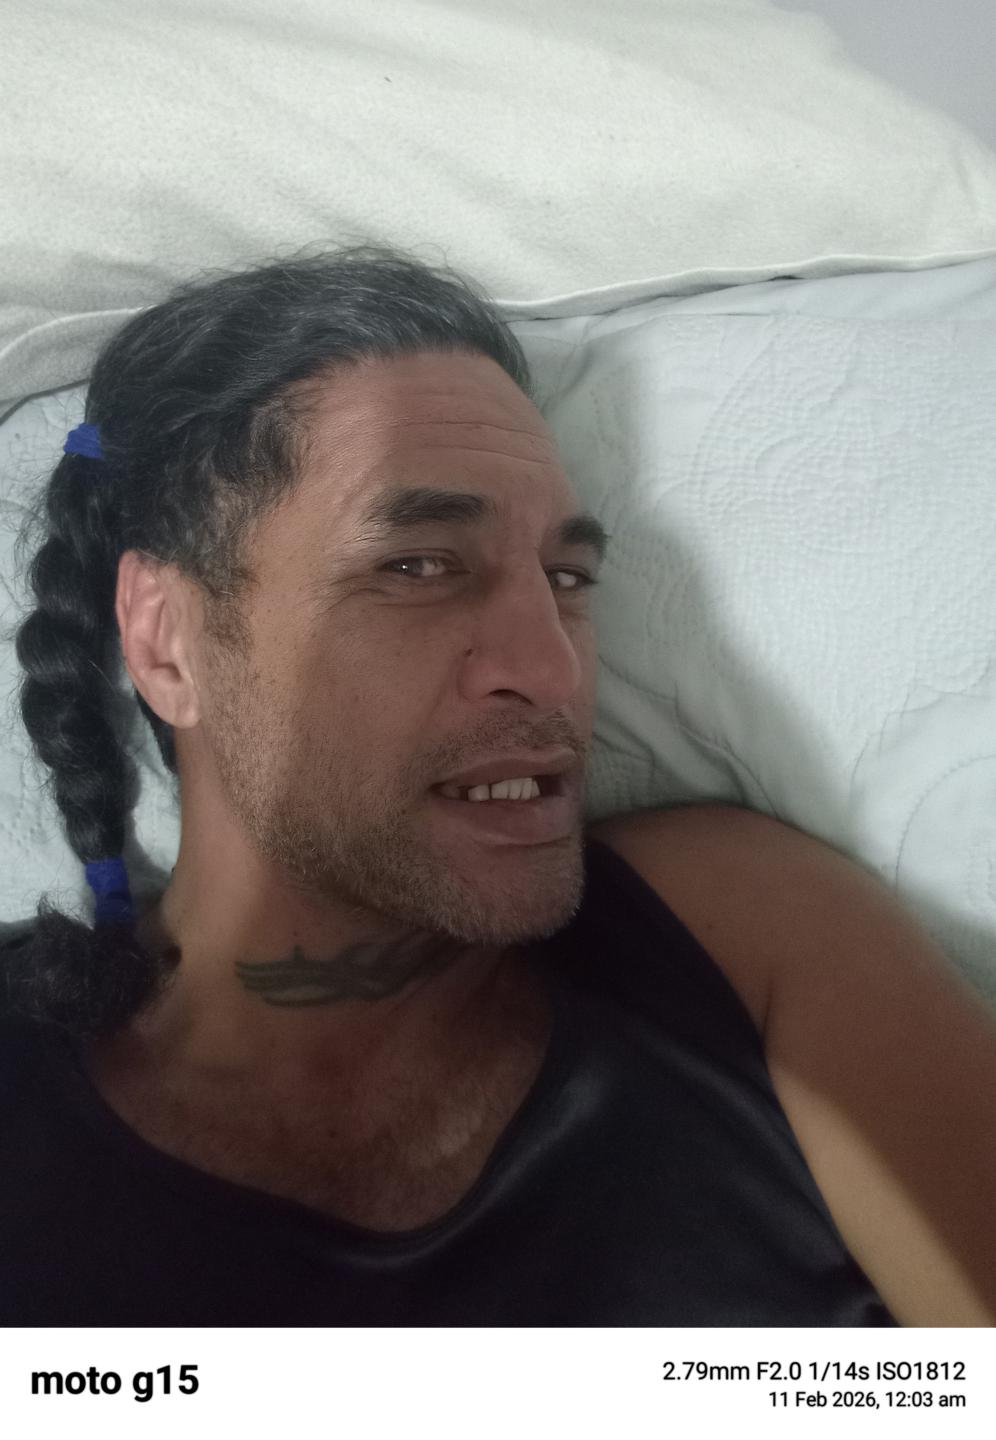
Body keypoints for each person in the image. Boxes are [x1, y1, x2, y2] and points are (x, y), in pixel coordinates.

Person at [1, 243, 994, 1327]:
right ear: (167, 641)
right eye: (418, 565)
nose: (555, 670)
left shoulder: (741, 936)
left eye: (567, 577)